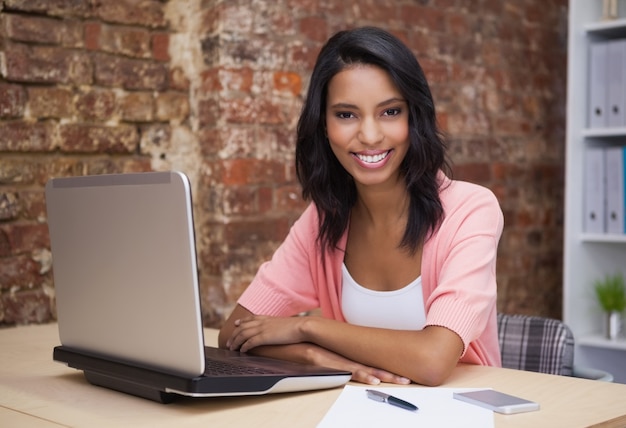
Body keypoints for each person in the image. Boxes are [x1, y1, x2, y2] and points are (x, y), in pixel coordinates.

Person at [218, 26, 504, 387]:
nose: (369, 136)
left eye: (390, 112)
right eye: (346, 115)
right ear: (323, 125)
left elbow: (433, 360)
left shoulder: (470, 210)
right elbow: (232, 334)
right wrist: (314, 356)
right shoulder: (324, 220)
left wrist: (310, 327)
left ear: (414, 117)